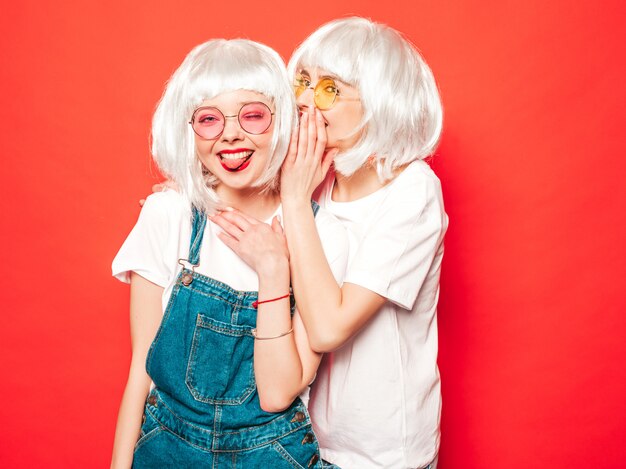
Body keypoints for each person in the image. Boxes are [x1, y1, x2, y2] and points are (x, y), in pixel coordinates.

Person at [213, 17, 447, 469]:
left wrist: (296, 201)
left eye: (328, 90)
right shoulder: (318, 182)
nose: (302, 99)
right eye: (302, 81)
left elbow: (328, 327)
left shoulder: (413, 190)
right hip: (306, 441)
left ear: (380, 102)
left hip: (385, 454)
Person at [110, 38, 347, 468]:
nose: (230, 134)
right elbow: (141, 372)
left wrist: (275, 270)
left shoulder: (320, 233)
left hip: (273, 454)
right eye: (209, 119)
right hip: (164, 450)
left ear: (282, 123)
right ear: (190, 132)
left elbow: (280, 391)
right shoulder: (170, 215)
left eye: (253, 115)